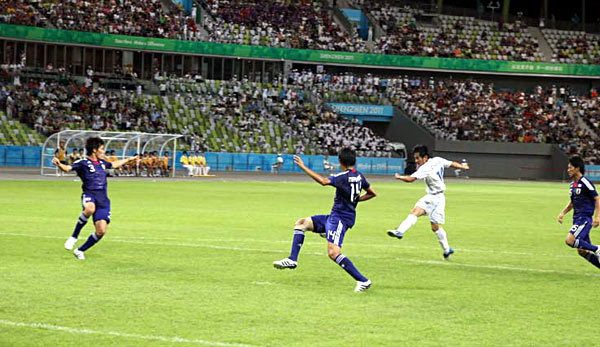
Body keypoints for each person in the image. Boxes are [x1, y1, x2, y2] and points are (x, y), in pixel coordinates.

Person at [273, 148, 377, 292]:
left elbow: (323, 181)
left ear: (340, 161)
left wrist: (303, 167)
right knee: (301, 223)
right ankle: (292, 259)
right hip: (335, 217)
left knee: (333, 253)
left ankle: (363, 280)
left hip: (340, 219)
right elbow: (372, 193)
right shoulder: (360, 176)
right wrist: (356, 200)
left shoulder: (342, 176)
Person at [53, 137, 138, 260]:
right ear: (94, 150)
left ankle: (80, 250)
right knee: (89, 209)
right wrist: (59, 164)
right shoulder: (82, 163)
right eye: (101, 149)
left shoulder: (103, 163)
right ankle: (74, 237)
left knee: (101, 231)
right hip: (90, 194)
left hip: (103, 199)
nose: (103, 151)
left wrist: (129, 159)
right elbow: (67, 168)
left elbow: (114, 164)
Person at [386, 145, 469, 259]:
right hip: (430, 196)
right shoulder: (438, 160)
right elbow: (451, 163)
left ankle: (447, 249)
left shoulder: (425, 168)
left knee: (435, 227)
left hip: (437, 199)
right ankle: (400, 231)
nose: (416, 161)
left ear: (424, 157)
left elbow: (411, 179)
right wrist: (463, 167)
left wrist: (399, 177)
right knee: (417, 213)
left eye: (417, 158)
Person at [557, 156, 600, 269]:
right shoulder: (572, 185)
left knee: (570, 240)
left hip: (584, 219)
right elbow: (572, 202)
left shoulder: (585, 182)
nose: (568, 170)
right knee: (582, 251)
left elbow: (597, 198)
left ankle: (597, 249)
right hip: (576, 219)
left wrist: (597, 217)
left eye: (570, 167)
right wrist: (563, 213)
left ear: (577, 168)